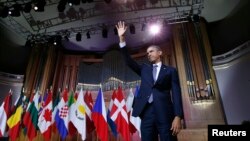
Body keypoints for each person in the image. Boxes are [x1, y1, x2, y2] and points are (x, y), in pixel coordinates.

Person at [116, 21, 184, 141]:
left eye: (151, 51)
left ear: (160, 53)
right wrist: (122, 39)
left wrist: (178, 116)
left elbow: (177, 93)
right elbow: (128, 61)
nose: (148, 54)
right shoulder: (144, 69)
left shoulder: (170, 71)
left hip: (165, 113)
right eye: (147, 53)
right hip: (147, 113)